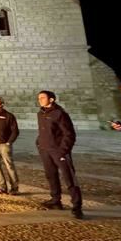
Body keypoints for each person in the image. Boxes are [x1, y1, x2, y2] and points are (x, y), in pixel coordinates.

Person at [36, 90, 83, 219]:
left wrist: (63, 150)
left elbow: (69, 134)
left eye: (42, 97)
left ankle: (77, 206)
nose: (40, 100)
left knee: (69, 177)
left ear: (51, 99)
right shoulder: (40, 114)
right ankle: (55, 200)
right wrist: (39, 144)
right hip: (45, 150)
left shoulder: (60, 114)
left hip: (59, 151)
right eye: (39, 98)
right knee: (51, 175)